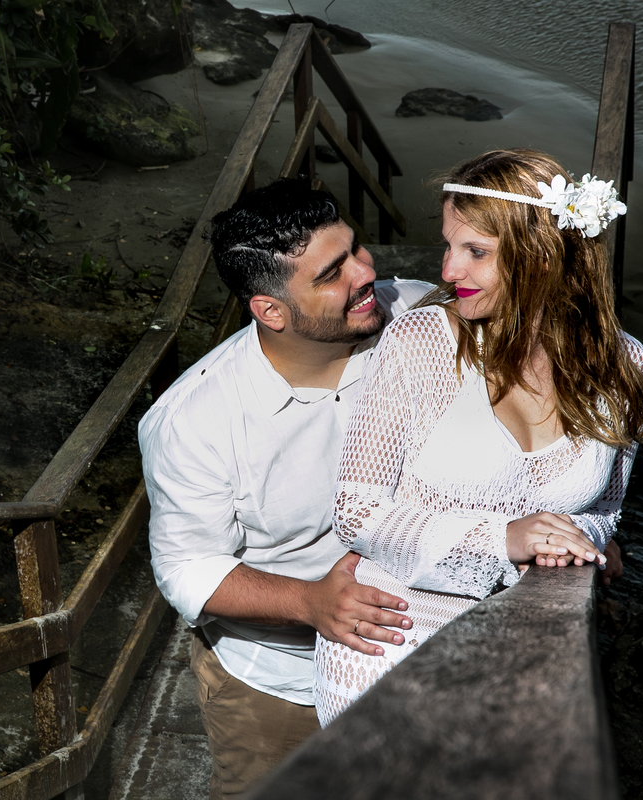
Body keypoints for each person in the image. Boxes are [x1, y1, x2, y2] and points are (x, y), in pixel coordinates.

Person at [313, 149, 643, 725]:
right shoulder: (420, 342)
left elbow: (603, 510)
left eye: (476, 252)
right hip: (391, 633)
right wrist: (504, 537)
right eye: (449, 246)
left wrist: (570, 547)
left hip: (527, 643)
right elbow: (356, 512)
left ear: (543, 258)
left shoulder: (628, 369)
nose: (449, 271)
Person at [138, 178, 433, 800]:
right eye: (332, 272)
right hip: (277, 685)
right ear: (270, 310)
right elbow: (186, 567)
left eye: (356, 249)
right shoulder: (194, 421)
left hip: (421, 657)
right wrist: (310, 604)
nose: (365, 273)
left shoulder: (416, 319)